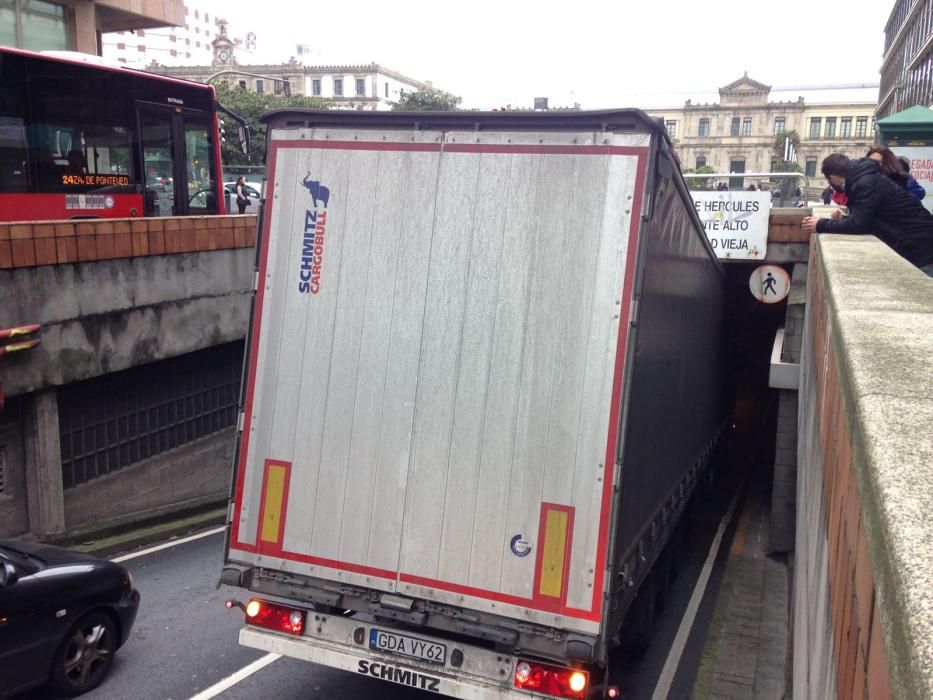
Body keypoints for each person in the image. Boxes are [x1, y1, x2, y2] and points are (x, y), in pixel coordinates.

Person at [801, 153, 933, 276]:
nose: (830, 184)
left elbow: (858, 226)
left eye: (828, 180)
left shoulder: (865, 183)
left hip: (921, 248)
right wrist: (845, 218)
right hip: (918, 243)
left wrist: (820, 224)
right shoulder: (865, 179)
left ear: (832, 177)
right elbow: (868, 218)